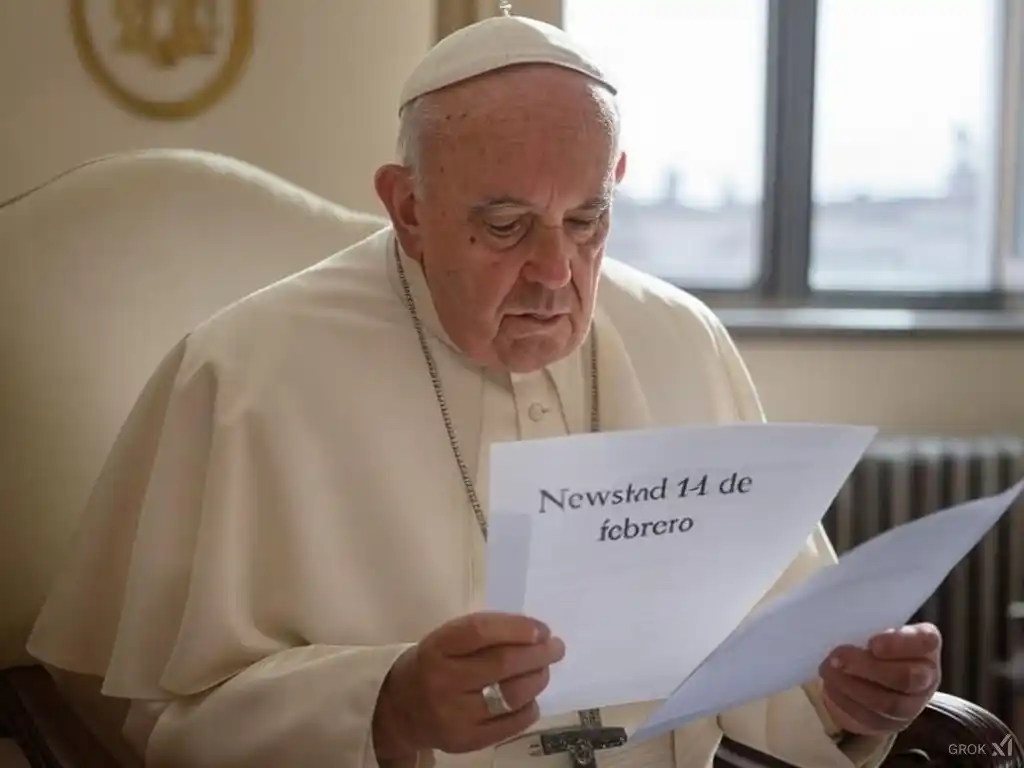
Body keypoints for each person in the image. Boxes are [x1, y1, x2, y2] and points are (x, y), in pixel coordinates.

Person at [27, 12, 942, 768]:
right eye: (505, 226)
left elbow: (758, 659)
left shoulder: (680, 337)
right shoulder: (246, 372)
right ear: (410, 208)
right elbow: (156, 727)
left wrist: (843, 694)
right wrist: (386, 705)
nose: (555, 271)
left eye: (586, 221)